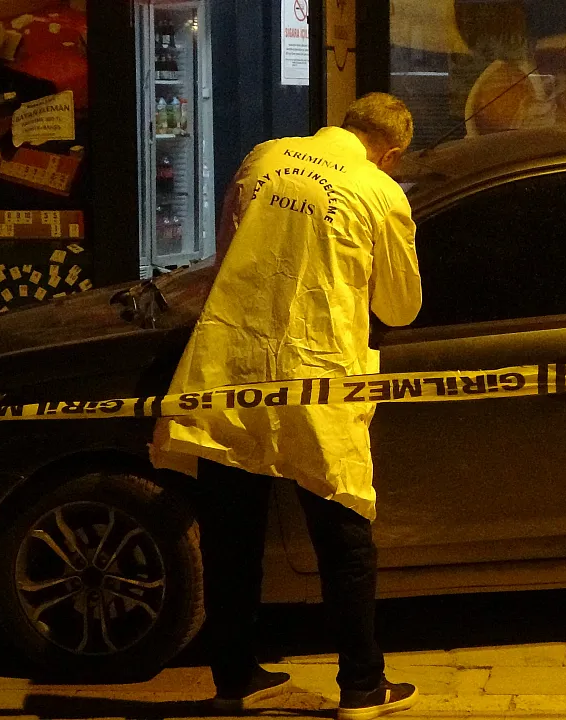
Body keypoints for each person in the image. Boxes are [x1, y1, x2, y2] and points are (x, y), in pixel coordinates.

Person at [150, 93, 422, 719]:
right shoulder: (379, 191)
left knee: (231, 533)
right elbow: (400, 307)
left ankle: (235, 678)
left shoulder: (264, 157)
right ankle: (361, 684)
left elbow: (227, 256)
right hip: (318, 373)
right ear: (391, 153)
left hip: (233, 366)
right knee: (342, 530)